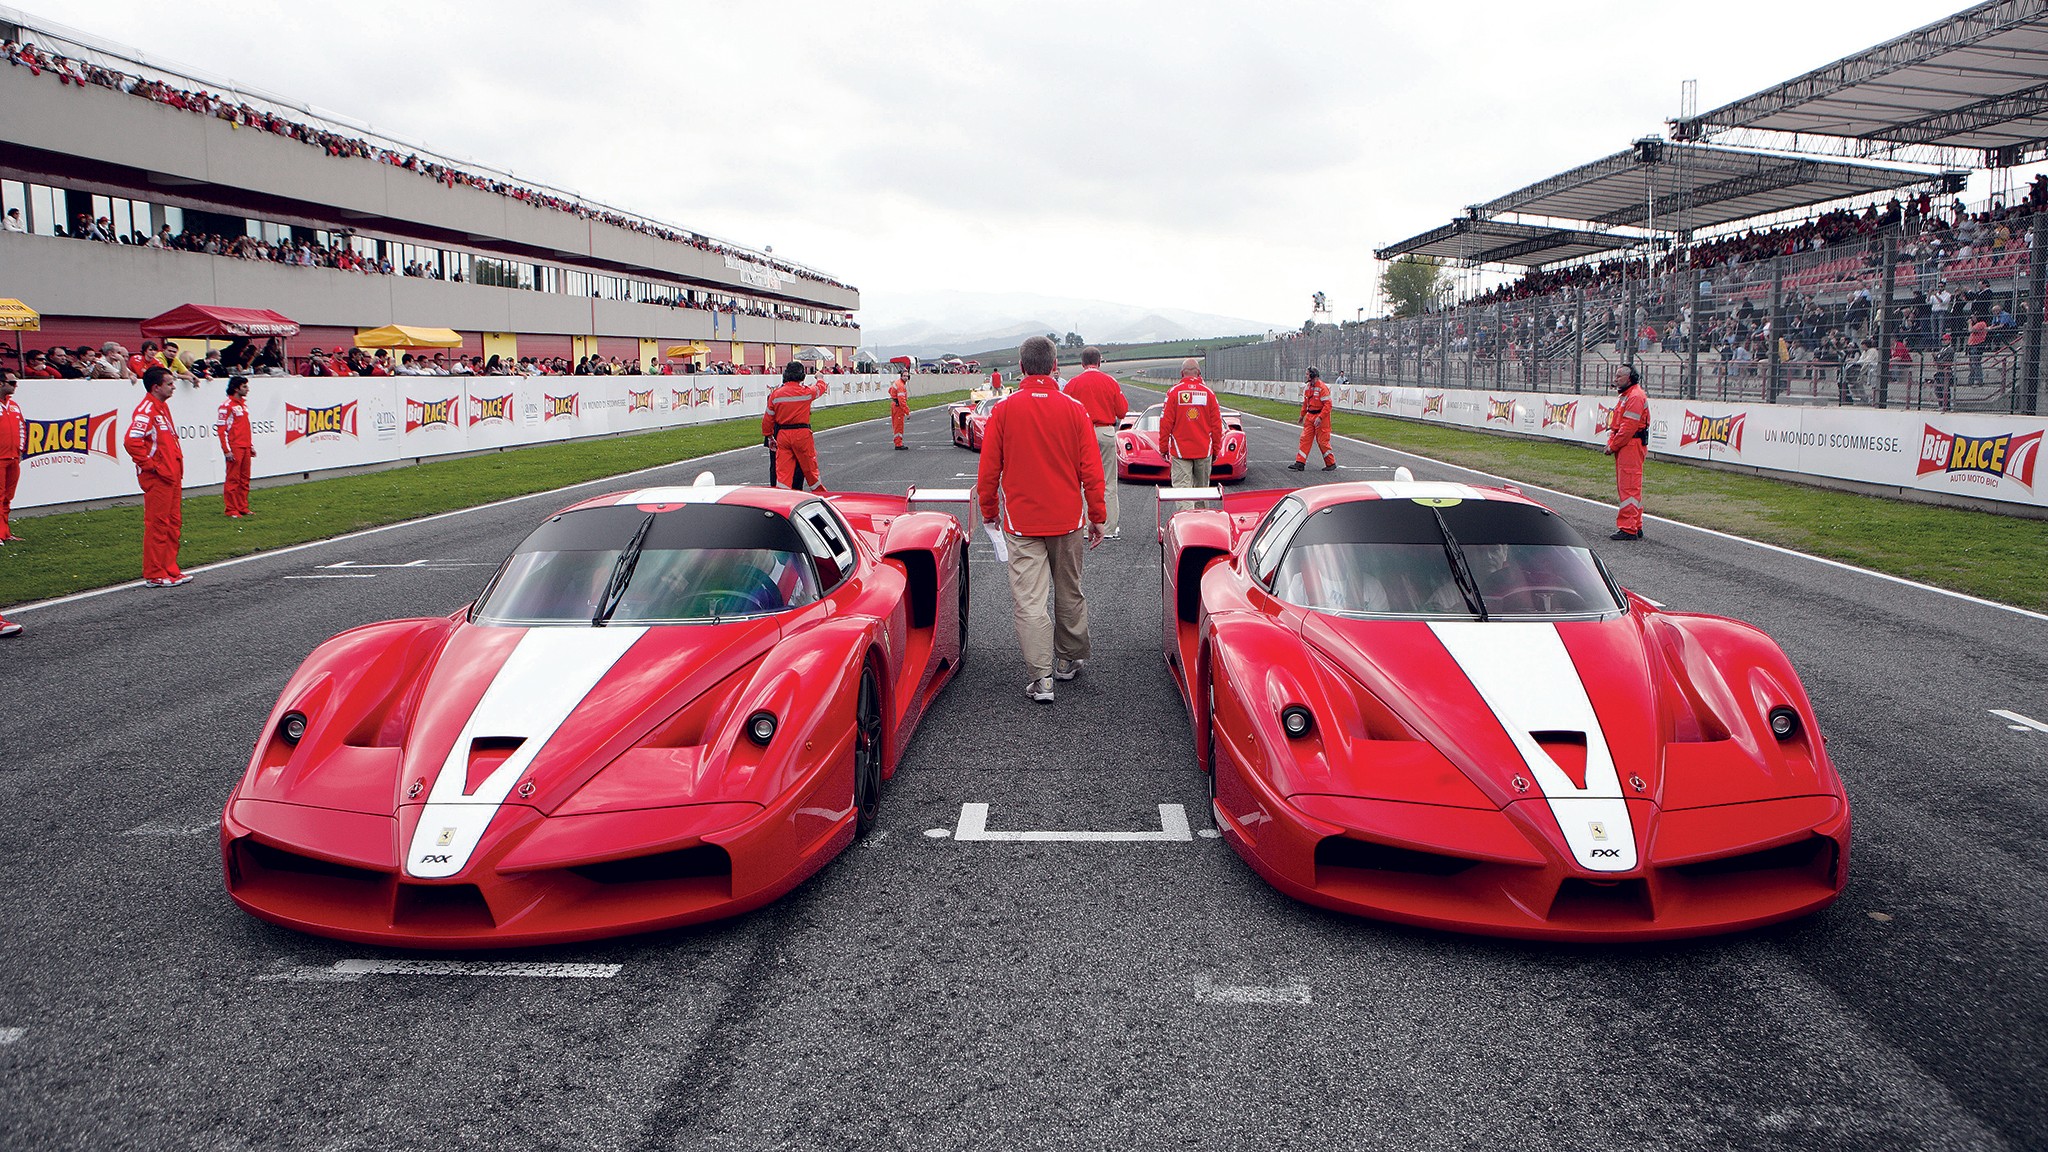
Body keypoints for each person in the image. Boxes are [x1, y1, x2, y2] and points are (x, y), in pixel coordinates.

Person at [976, 335, 1105, 704]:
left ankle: (1041, 677)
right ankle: (1067, 659)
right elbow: (1091, 472)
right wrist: (1097, 516)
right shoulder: (1074, 409)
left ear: (1020, 368)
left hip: (1022, 522)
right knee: (1069, 591)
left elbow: (988, 473)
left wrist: (990, 513)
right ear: (1054, 366)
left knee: (1029, 601)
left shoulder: (1002, 411)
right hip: (1067, 519)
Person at [125, 366, 190, 585]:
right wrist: (151, 466)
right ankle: (154, 574)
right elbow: (131, 441)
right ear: (156, 387)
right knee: (158, 525)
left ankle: (170, 569)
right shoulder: (146, 410)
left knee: (173, 523)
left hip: (171, 476)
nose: (173, 387)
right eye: (169, 383)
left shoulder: (162, 407)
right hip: (158, 478)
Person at [1062, 346, 1128, 538]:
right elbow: (1122, 411)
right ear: (1099, 361)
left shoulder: (1073, 384)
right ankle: (1107, 527)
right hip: (1105, 431)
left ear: (1082, 363)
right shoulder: (1110, 382)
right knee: (1108, 481)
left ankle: (1083, 525)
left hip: (1081, 433)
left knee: (1082, 480)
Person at [761, 360, 829, 490]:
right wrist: (820, 378)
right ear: (802, 376)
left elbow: (767, 419)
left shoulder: (776, 394)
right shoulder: (806, 392)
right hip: (801, 434)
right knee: (810, 470)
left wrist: (769, 437)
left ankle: (783, 500)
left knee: (783, 473)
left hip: (783, 435)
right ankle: (820, 495)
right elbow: (821, 388)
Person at [1157, 357, 1222, 489]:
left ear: (1182, 373)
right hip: (1204, 450)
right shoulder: (1209, 394)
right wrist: (1216, 449)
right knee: (1202, 492)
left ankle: (1185, 510)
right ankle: (1201, 510)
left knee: (1182, 491)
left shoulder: (1173, 392)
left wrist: (1163, 447)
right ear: (1199, 373)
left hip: (1180, 452)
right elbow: (1217, 425)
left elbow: (1165, 423)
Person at [1603, 364, 1650, 542]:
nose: (1615, 380)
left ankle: (1628, 528)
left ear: (1629, 378)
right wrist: (1613, 443)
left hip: (1631, 445)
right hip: (1627, 445)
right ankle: (1635, 525)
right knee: (1629, 486)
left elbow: (1627, 427)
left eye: (1619, 376)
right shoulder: (1627, 396)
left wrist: (1612, 446)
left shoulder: (1635, 397)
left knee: (1629, 487)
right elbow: (1618, 425)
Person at [215, 375, 255, 518]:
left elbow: (245, 427)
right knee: (233, 479)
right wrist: (226, 450)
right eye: (244, 386)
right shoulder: (226, 406)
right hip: (235, 447)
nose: (247, 389)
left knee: (244, 479)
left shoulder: (243, 405)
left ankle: (242, 506)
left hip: (245, 446)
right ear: (236, 387)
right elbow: (221, 430)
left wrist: (250, 446)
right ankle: (231, 509)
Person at [1289, 366, 1336, 471]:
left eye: (1307, 374)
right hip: (1310, 416)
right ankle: (1300, 462)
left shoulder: (1322, 388)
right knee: (1305, 439)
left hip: (1321, 418)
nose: (1306, 375)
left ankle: (1331, 463)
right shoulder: (1308, 387)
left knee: (1322, 441)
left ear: (1312, 375)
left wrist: (1320, 417)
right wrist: (1302, 415)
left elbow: (1328, 405)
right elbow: (1306, 403)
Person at [0, 371, 21, 544]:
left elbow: (22, 428)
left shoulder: (14, 405)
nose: (15, 386)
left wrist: (20, 450)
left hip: (13, 458)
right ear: (1, 383)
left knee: (8, 497)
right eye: (12, 383)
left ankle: (5, 533)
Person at [888, 368, 911, 450]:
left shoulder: (898, 383)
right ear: (901, 376)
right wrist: (907, 412)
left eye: (907, 376)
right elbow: (902, 401)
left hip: (895, 404)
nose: (905, 377)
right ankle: (898, 443)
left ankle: (898, 442)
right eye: (904, 376)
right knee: (898, 425)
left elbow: (890, 390)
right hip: (897, 406)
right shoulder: (900, 385)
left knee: (897, 424)